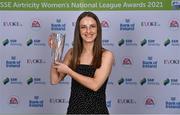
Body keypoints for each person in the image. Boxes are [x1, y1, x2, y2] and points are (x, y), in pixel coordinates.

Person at [48, 11, 114, 114]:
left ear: (98, 30)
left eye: (92, 26)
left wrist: (69, 71)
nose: (88, 31)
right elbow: (55, 80)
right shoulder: (72, 53)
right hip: (74, 111)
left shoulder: (106, 55)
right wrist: (55, 50)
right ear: (78, 31)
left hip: (97, 111)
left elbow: (95, 85)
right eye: (83, 27)